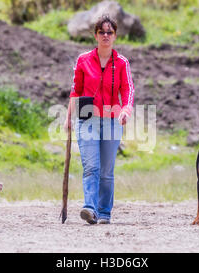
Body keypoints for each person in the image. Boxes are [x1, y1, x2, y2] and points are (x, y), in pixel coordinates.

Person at [64, 15, 135, 225]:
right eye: (101, 32)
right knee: (91, 167)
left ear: (115, 36)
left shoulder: (121, 62)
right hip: (87, 118)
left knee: (105, 172)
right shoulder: (84, 59)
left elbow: (128, 88)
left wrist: (126, 110)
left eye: (109, 32)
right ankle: (90, 208)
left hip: (112, 120)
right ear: (95, 35)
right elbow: (75, 90)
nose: (105, 35)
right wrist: (68, 116)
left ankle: (104, 212)